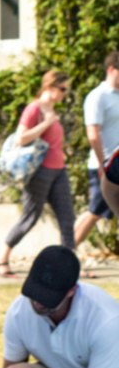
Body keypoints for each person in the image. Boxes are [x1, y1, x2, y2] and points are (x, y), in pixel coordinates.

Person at [0, 245, 119, 368]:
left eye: (47, 296)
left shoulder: (106, 320)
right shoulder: (19, 311)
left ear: (72, 291)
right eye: (35, 291)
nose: (37, 302)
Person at [0, 69, 74, 277]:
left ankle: (70, 269)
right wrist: (47, 123)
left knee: (67, 219)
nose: (65, 93)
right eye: (63, 88)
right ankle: (2, 259)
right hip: (40, 172)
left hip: (59, 171)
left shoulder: (52, 109)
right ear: (49, 86)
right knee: (30, 216)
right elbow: (21, 138)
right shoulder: (34, 109)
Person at [73, 50, 119, 251]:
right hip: (104, 166)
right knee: (95, 212)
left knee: (96, 212)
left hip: (115, 164)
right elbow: (93, 133)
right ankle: (65, 253)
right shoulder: (97, 97)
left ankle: (66, 250)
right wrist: (102, 164)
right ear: (111, 70)